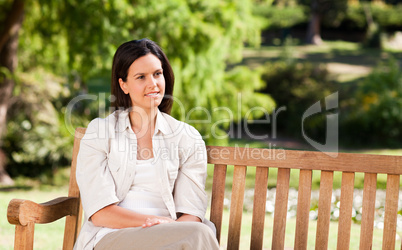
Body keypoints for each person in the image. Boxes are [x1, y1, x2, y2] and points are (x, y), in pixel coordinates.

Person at [73, 39, 220, 250]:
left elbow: (192, 213)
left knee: (198, 232)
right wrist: (155, 223)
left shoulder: (186, 137)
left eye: (157, 74)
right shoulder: (100, 133)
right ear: (123, 84)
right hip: (112, 236)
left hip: (172, 237)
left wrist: (167, 229)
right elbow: (100, 212)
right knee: (198, 234)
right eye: (141, 77)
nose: (153, 84)